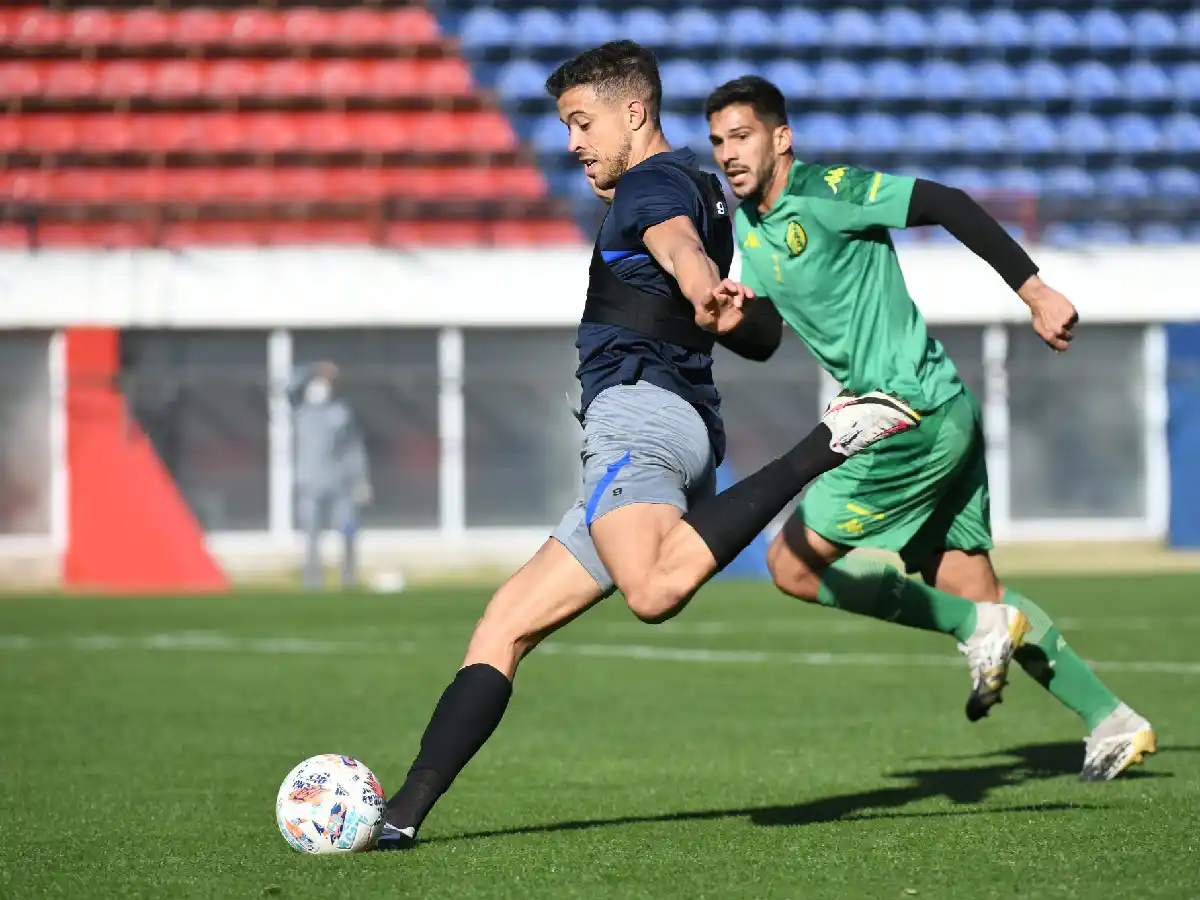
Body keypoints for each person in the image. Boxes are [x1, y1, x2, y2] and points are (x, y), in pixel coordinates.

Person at [375, 41, 923, 849]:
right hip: (666, 428)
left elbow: (674, 243)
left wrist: (704, 286)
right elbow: (753, 329)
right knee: (504, 625)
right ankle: (399, 817)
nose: (572, 144)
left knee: (653, 591)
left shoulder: (652, 186)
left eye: (581, 121)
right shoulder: (708, 190)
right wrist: (721, 303)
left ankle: (830, 439)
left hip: (638, 420)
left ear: (634, 112)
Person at [692, 75, 1155, 781]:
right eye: (718, 139)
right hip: (941, 411)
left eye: (742, 135)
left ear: (781, 138)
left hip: (903, 415)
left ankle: (975, 632)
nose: (727, 151)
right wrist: (731, 325)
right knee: (979, 594)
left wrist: (1033, 289)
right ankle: (1113, 720)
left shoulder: (831, 191)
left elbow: (947, 202)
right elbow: (769, 338)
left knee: (790, 564)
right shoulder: (749, 228)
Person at [288, 361, 372, 591]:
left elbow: (354, 447)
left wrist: (360, 479)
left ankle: (349, 580)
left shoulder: (340, 413)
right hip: (309, 486)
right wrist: (313, 368)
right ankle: (313, 584)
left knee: (348, 532)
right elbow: (288, 385)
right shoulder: (300, 412)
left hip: (340, 486)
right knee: (311, 538)